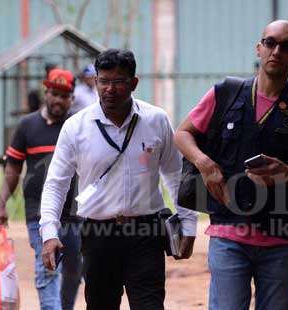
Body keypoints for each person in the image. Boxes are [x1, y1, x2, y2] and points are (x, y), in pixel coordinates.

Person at [174, 20, 288, 309]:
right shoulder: (225, 93)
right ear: (259, 47)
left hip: (281, 237)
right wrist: (204, 163)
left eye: (287, 46)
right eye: (271, 43)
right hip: (228, 234)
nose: (277, 51)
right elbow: (183, 133)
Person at [40, 48, 197, 309]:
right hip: (97, 234)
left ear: (133, 83)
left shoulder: (156, 120)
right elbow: (56, 183)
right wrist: (48, 233)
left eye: (118, 82)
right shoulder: (76, 127)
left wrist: (188, 224)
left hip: (146, 233)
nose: (109, 89)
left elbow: (176, 174)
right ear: (95, 81)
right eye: (103, 81)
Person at [0, 68, 82, 310]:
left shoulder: (78, 126)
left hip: (76, 213)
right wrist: (2, 203)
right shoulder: (27, 126)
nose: (58, 100)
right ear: (46, 93)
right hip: (39, 211)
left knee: (75, 268)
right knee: (49, 266)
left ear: (72, 98)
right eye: (54, 93)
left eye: (65, 95)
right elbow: (13, 168)